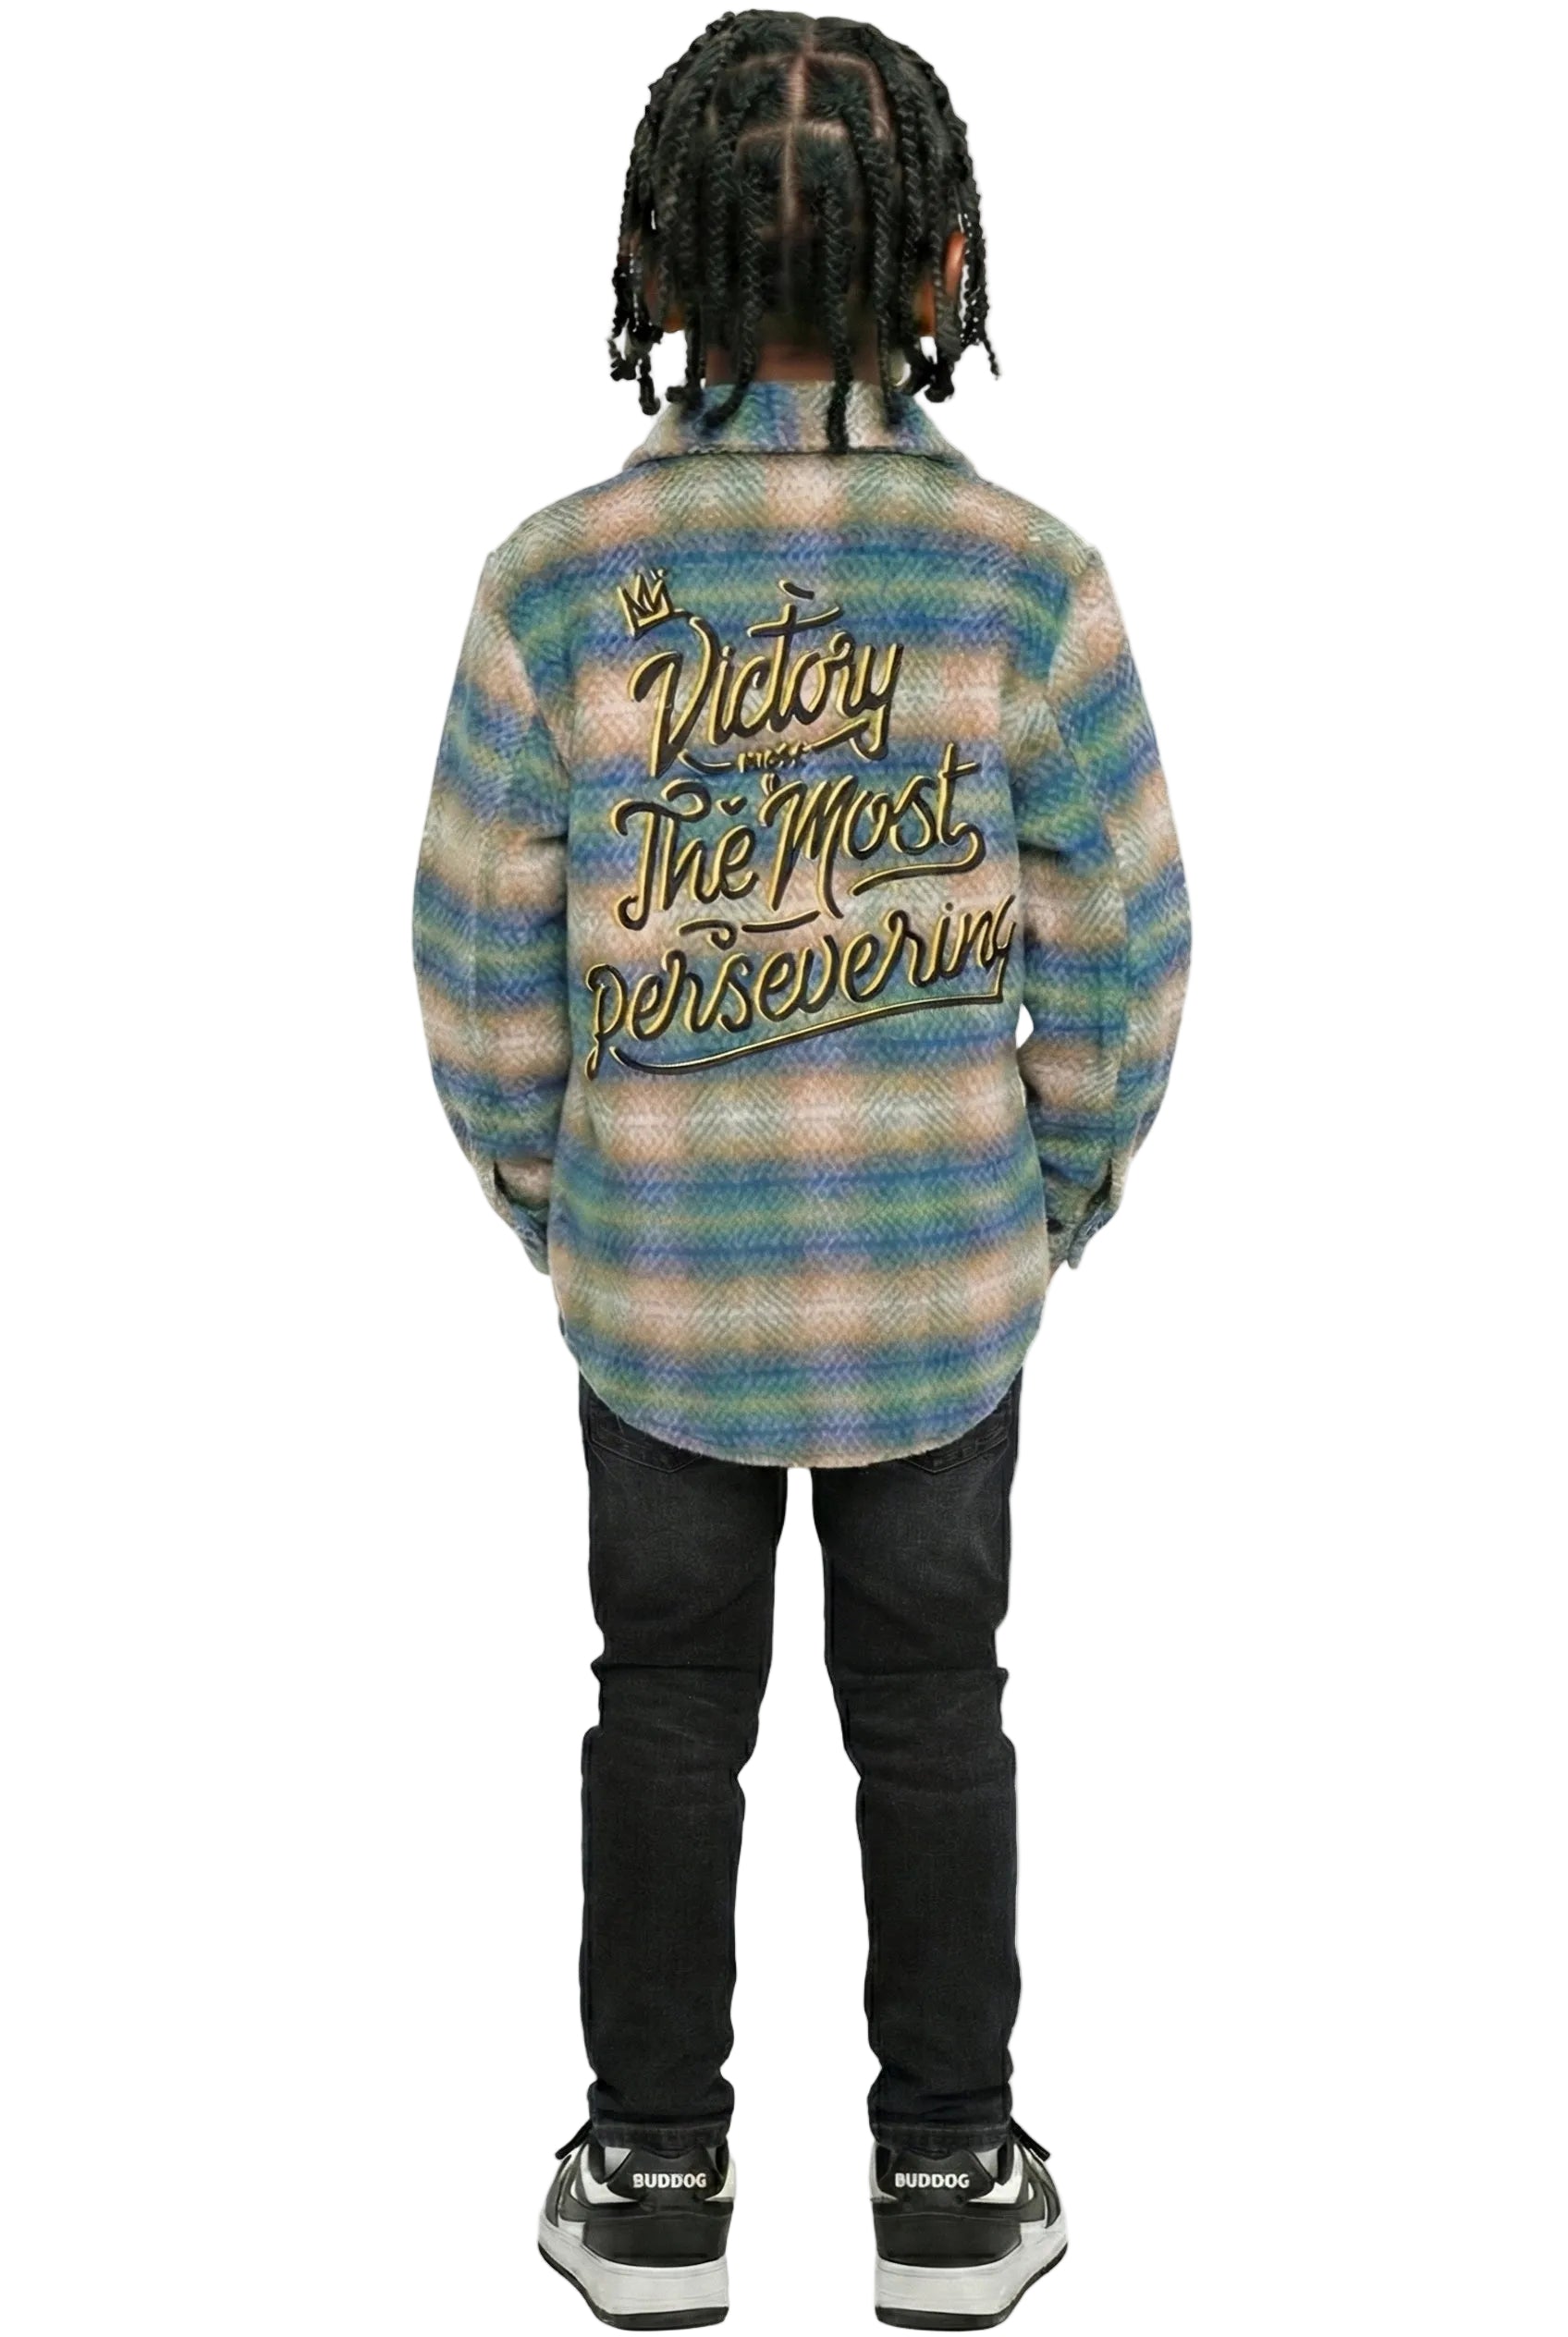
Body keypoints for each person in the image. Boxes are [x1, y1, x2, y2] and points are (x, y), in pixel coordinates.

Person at [412, 11, 1190, 2326]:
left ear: (657, 263)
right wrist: (1038, 1201)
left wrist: (570, 1210)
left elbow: (473, 960)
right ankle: (946, 2173)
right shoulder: (1021, 582)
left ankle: (654, 2173)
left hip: (658, 1291)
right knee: (933, 1709)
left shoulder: (558, 585)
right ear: (939, 260)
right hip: (938, 1289)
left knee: (660, 1705)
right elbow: (1126, 943)